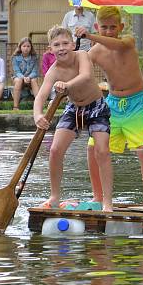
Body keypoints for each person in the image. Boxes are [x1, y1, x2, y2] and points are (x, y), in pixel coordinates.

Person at [80, 6, 143, 207]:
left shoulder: (127, 42)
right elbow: (80, 69)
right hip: (112, 104)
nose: (108, 31)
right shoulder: (94, 52)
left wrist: (91, 35)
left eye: (112, 27)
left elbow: (115, 45)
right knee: (93, 148)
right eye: (103, 27)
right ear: (98, 26)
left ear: (120, 27)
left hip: (138, 103)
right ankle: (98, 197)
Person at [34, 25, 112, 211]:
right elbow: (41, 95)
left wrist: (66, 85)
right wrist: (38, 114)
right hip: (74, 108)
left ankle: (107, 201)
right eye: (56, 45)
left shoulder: (82, 55)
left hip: (96, 107)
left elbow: (86, 76)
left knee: (101, 150)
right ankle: (54, 197)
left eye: (65, 43)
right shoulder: (53, 71)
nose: (61, 48)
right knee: (54, 150)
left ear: (72, 44)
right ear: (50, 49)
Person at [11, 37, 40, 110]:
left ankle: (38, 106)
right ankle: (15, 106)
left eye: (28, 46)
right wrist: (23, 77)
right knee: (18, 81)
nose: (26, 48)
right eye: (24, 46)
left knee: (34, 80)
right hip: (18, 77)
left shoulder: (35, 57)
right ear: (20, 47)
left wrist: (29, 77)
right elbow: (16, 71)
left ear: (31, 47)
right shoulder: (15, 57)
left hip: (31, 78)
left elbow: (35, 71)